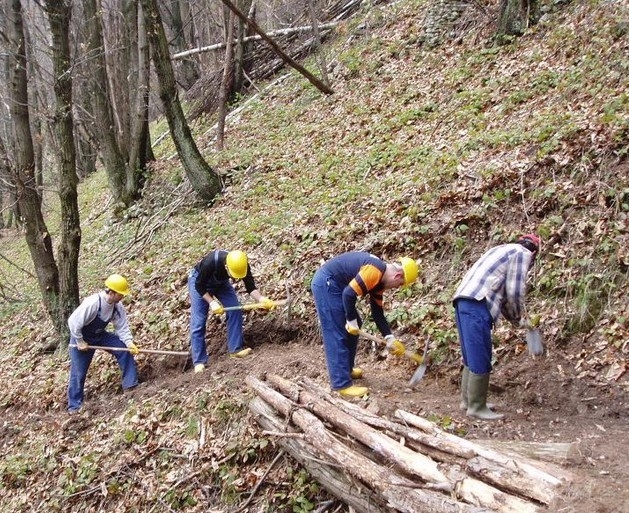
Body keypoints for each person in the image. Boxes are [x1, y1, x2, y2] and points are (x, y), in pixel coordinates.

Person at [453, 233, 541, 420]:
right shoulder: (522, 253)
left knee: (471, 352)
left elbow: (501, 291)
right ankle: (476, 407)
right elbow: (515, 292)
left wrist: (514, 319)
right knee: (481, 353)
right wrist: (517, 317)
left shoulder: (501, 249)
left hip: (463, 299)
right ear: (534, 252)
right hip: (477, 303)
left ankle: (468, 401)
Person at [311, 251, 419, 398]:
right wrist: (351, 321)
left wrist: (390, 338)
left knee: (355, 324)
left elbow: (377, 313)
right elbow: (348, 294)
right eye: (399, 284)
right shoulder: (374, 271)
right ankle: (341, 384)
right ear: (397, 276)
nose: (396, 288)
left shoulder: (379, 283)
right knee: (337, 329)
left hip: (338, 286)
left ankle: (346, 369)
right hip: (327, 283)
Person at [188, 249, 274, 373]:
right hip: (199, 282)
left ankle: (235, 350)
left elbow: (250, 287)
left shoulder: (242, 264)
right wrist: (212, 302)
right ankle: (199, 362)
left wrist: (262, 299)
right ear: (226, 267)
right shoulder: (211, 262)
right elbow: (199, 286)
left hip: (221, 283)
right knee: (199, 321)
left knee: (235, 309)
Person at [67, 274, 140, 413]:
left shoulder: (117, 306)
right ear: (111, 292)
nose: (123, 297)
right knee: (78, 372)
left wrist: (129, 343)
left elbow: (122, 327)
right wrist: (80, 341)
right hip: (81, 338)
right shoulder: (93, 303)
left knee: (123, 350)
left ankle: (131, 385)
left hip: (99, 335)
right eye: (120, 294)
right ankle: (74, 407)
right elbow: (73, 322)